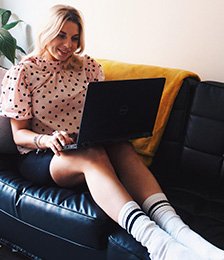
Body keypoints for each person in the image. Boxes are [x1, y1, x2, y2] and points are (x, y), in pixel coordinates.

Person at [0, 4, 223, 260]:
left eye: (74, 38)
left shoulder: (88, 67)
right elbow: (19, 135)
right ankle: (157, 242)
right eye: (61, 35)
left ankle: (179, 230)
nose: (68, 45)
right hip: (42, 154)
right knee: (92, 155)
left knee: (121, 146)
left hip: (83, 142)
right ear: (46, 32)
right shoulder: (23, 72)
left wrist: (113, 126)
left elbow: (102, 108)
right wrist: (48, 139)